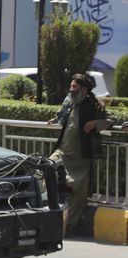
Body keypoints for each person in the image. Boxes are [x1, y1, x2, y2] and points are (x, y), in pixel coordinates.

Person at [48, 74, 112, 234]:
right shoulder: (69, 103)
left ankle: (69, 225)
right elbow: (61, 116)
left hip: (81, 159)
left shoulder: (94, 105)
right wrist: (55, 120)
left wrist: (96, 123)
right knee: (46, 170)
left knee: (77, 194)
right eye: (71, 86)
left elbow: (111, 120)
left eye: (74, 87)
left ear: (84, 89)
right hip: (62, 153)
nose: (71, 89)